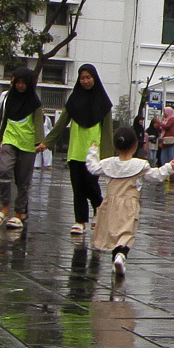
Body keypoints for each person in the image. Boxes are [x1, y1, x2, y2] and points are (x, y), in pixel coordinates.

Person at [92, 121, 174, 276]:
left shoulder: (108, 164)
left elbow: (93, 167)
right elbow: (156, 176)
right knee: (126, 233)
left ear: (115, 146)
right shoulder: (139, 165)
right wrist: (171, 166)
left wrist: (92, 151)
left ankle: (115, 259)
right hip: (130, 204)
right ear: (135, 145)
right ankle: (121, 255)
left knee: (113, 232)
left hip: (110, 203)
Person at [0, 70, 43, 230]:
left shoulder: (34, 102)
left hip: (27, 144)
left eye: (23, 82)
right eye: (17, 82)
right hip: (9, 140)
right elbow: (4, 120)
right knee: (3, 169)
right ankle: (4, 207)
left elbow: (38, 123)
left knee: (23, 181)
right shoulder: (9, 98)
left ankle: (19, 213)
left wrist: (40, 142)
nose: (20, 85)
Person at [61, 64, 112, 236]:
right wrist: (46, 142)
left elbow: (107, 131)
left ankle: (99, 207)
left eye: (88, 77)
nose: (85, 81)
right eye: (82, 78)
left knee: (91, 183)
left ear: (94, 78)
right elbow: (61, 123)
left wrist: (107, 156)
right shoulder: (74, 101)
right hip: (76, 149)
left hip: (94, 151)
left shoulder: (103, 103)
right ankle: (80, 221)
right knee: (77, 187)